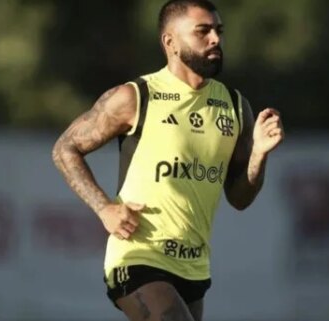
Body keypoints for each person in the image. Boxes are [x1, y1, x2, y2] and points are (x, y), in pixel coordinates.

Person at [52, 0, 284, 320]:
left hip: (193, 268)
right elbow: (65, 148)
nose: (215, 39)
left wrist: (258, 154)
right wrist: (104, 208)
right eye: (202, 31)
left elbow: (240, 198)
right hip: (138, 257)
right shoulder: (136, 96)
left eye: (218, 31)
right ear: (170, 42)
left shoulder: (233, 106)